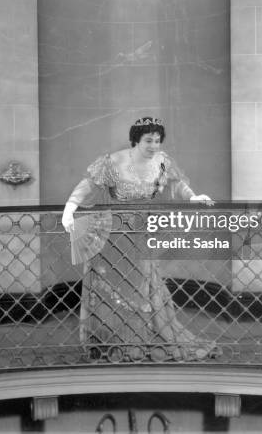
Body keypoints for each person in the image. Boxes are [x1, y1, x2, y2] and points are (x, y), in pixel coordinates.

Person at [61, 117, 220, 362]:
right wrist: (69, 208)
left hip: (144, 233)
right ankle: (111, 341)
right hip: (113, 234)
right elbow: (87, 186)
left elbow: (177, 184)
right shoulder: (113, 161)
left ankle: (139, 341)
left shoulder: (163, 161)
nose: (154, 145)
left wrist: (193, 197)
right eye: (149, 140)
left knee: (143, 284)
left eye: (157, 140)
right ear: (136, 139)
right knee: (113, 286)